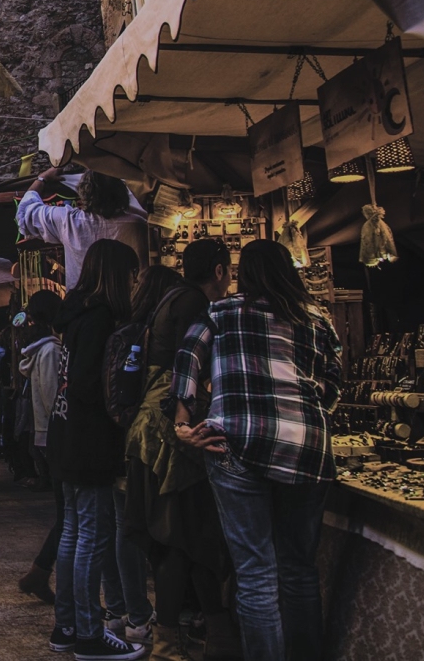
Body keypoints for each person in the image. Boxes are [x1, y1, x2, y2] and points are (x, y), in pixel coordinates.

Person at [171, 240, 342, 661]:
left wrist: (182, 423)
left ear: (241, 273)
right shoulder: (317, 318)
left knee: (256, 575)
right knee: (300, 570)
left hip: (236, 443)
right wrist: (305, 413)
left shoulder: (221, 312)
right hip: (306, 447)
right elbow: (333, 384)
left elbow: (187, 357)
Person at [124, 242, 238, 661]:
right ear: (220, 271)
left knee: (189, 539)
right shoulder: (194, 303)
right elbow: (189, 367)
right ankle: (172, 644)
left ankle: (210, 638)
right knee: (181, 539)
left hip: (154, 429)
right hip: (174, 432)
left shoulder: (172, 298)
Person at [46, 238, 146, 661]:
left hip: (66, 432)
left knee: (73, 531)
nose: (135, 284)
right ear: (117, 276)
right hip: (88, 439)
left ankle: (67, 626)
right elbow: (90, 384)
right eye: (132, 276)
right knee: (92, 534)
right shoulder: (101, 317)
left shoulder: (76, 314)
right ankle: (88, 633)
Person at [17, 167, 150, 288]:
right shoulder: (139, 225)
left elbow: (25, 213)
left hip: (83, 304)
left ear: (84, 192)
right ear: (121, 192)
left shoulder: (68, 221)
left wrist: (42, 179)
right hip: (130, 304)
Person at [17, 289, 64, 604]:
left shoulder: (42, 351)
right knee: (69, 514)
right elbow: (52, 396)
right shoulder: (50, 352)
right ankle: (40, 572)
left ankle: (39, 572)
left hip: (48, 434)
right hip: (55, 435)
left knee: (67, 514)